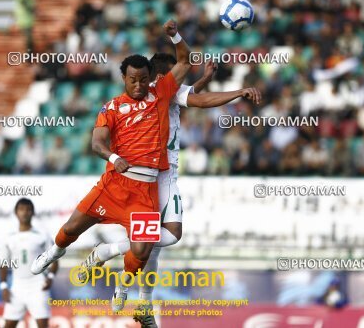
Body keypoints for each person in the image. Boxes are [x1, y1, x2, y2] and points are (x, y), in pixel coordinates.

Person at [77, 53, 261, 327]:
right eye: (176, 75)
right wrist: (238, 92)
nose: (178, 79)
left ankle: (140, 298)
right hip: (151, 178)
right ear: (162, 78)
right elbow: (200, 101)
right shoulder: (159, 93)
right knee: (162, 239)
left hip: (167, 176)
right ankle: (112, 260)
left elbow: (192, 95)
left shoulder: (167, 93)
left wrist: (204, 80)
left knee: (155, 246)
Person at [30, 20, 192, 315]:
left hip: (144, 192)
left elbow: (184, 60)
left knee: (142, 251)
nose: (139, 85)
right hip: (114, 185)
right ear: (123, 78)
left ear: (150, 78)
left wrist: (175, 36)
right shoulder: (112, 107)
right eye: (133, 79)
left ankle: (122, 285)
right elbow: (96, 142)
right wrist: (112, 157)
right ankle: (53, 253)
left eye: (143, 79)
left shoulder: (162, 94)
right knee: (71, 229)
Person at [0, 198, 57, 328]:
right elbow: (2, 262)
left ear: (33, 213)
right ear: (16, 212)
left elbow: (54, 258)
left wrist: (50, 277)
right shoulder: (8, 236)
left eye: (28, 210)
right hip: (17, 287)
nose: (25, 213)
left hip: (38, 285)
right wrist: (3, 286)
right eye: (21, 209)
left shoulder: (42, 235)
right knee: (8, 325)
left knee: (43, 325)